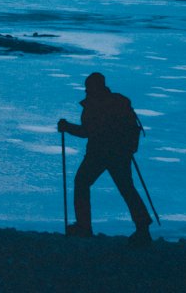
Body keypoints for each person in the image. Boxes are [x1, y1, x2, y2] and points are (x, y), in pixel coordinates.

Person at [57, 71, 153, 245]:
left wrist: (66, 127)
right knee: (127, 189)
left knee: (82, 182)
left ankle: (84, 227)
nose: (86, 91)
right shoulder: (118, 102)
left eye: (88, 87)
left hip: (100, 153)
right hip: (120, 153)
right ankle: (143, 228)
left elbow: (87, 131)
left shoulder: (96, 104)